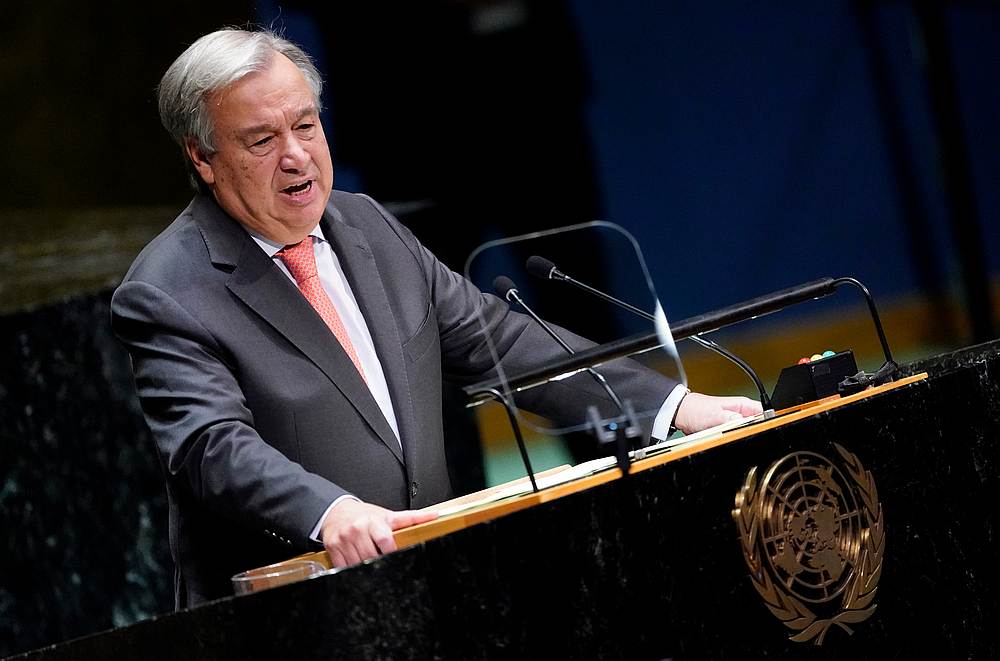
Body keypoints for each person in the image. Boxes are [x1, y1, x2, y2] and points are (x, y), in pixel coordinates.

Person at [111, 28, 761, 607]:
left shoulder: (367, 224)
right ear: (201, 157)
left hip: (433, 588)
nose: (296, 155)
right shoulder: (169, 291)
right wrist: (327, 510)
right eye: (262, 138)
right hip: (293, 612)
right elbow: (211, 447)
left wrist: (673, 407)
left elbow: (500, 340)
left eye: (306, 125)